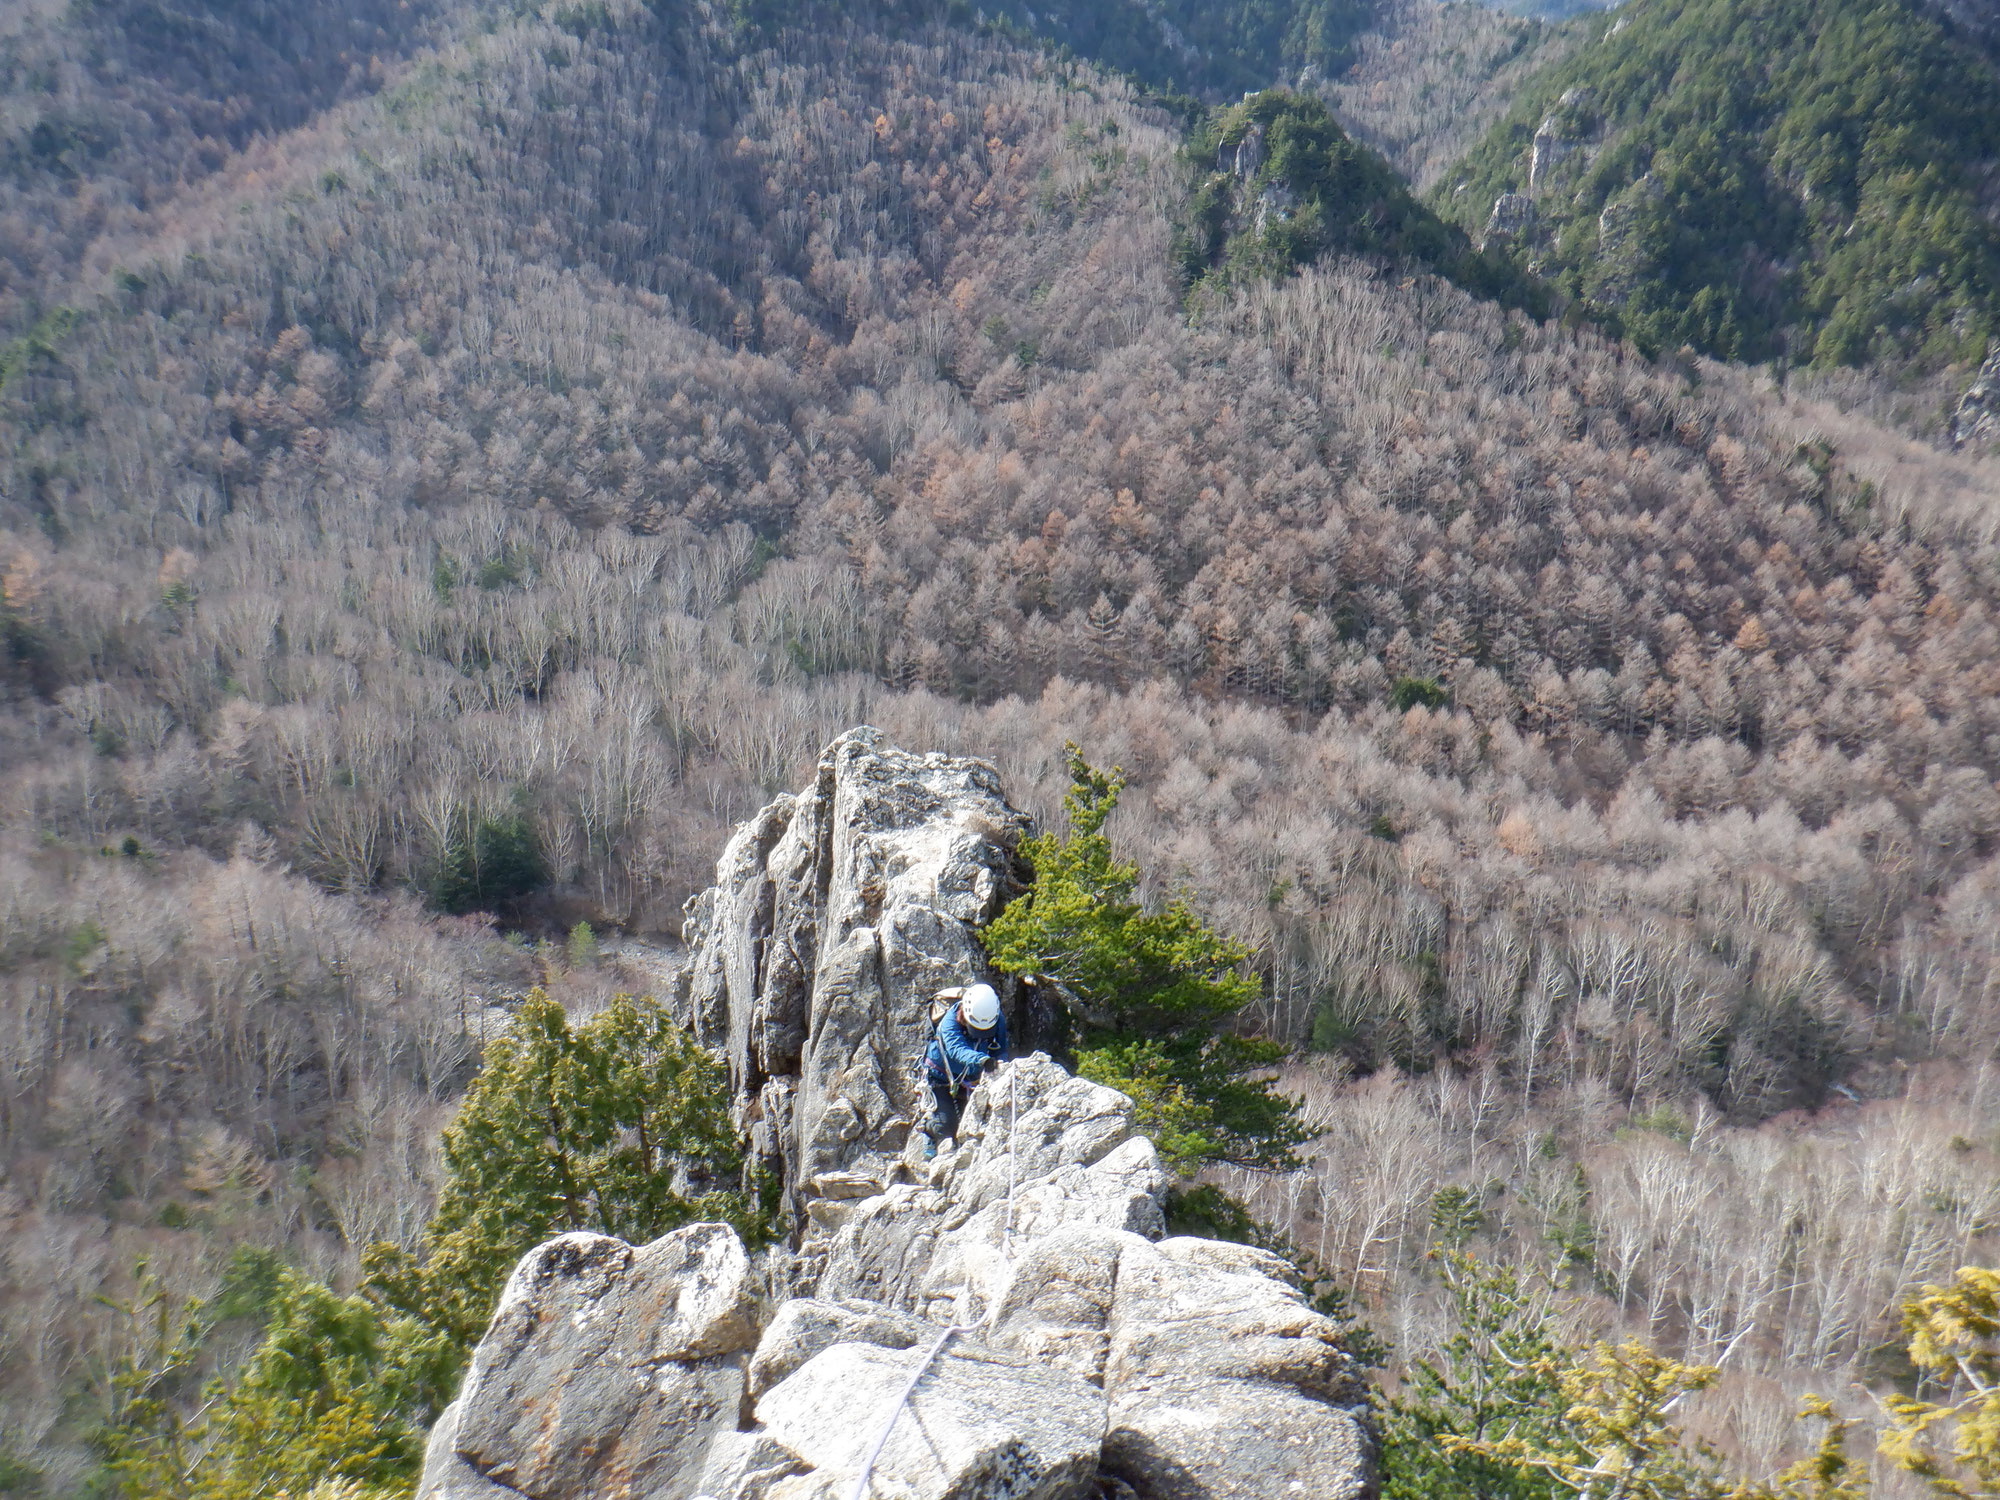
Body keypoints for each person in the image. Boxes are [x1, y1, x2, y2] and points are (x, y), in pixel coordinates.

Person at [923, 982, 1007, 1159]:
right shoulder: (949, 1023)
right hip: (940, 1077)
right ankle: (928, 1128)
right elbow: (957, 1050)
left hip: (970, 1079)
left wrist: (1002, 1068)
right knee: (947, 1130)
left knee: (967, 1129)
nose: (980, 1034)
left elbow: (1001, 1049)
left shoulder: (997, 1018)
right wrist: (982, 1060)